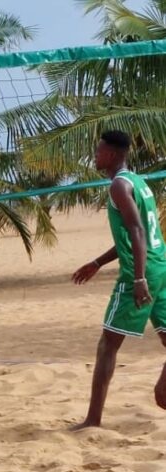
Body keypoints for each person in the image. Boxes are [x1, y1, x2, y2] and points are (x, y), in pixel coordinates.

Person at [71, 130, 166, 430]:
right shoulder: (139, 182)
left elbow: (137, 231)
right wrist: (97, 262)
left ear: (111, 155)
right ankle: (163, 388)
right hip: (161, 265)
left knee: (107, 345)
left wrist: (138, 278)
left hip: (142, 271)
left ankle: (92, 420)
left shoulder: (118, 187)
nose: (95, 156)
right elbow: (133, 235)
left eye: (98, 151)